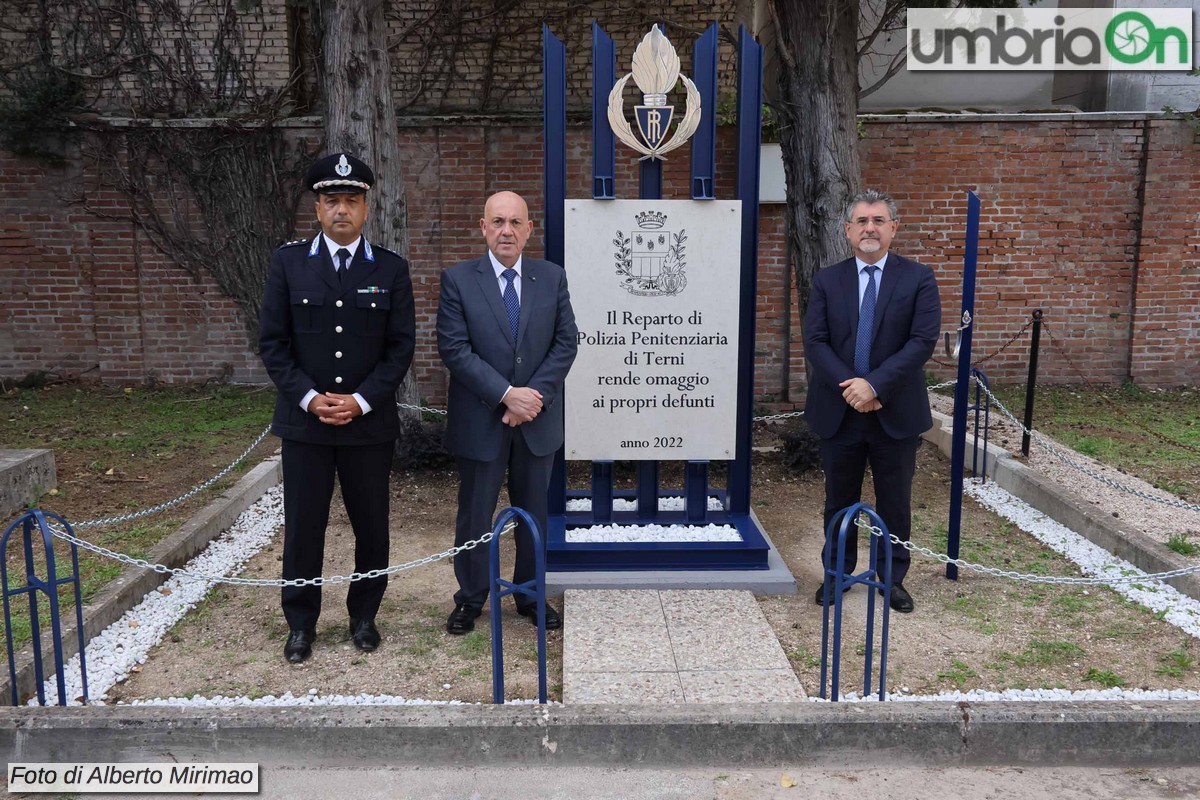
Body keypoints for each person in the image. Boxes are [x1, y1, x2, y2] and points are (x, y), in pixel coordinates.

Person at [259, 153, 416, 662]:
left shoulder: (390, 269)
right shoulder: (288, 263)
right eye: (332, 201)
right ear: (318, 208)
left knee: (372, 524)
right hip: (306, 424)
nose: (341, 210)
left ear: (367, 207)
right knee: (305, 526)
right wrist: (309, 397)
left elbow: (400, 347)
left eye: (351, 200)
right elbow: (274, 344)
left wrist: (361, 400)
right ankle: (300, 624)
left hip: (367, 426)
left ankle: (364, 615)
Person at [437, 190, 578, 635]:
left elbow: (566, 343)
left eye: (515, 223)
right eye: (497, 221)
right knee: (476, 514)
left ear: (529, 230)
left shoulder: (551, 278)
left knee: (533, 512)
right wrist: (505, 395)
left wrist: (530, 396)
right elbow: (455, 350)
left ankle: (530, 596)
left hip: (536, 420)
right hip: (481, 421)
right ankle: (471, 598)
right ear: (483, 227)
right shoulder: (458, 280)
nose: (506, 230)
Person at [803, 189, 941, 613]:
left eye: (879, 221)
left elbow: (921, 342)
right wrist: (853, 386)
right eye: (862, 221)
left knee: (894, 501)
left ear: (893, 228)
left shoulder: (918, 278)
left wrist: (875, 386)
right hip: (839, 411)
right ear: (847, 230)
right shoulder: (827, 280)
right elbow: (816, 340)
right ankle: (837, 574)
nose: (870, 228)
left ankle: (892, 578)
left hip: (894, 411)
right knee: (837, 500)